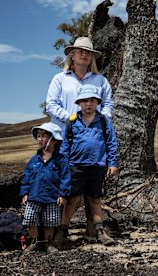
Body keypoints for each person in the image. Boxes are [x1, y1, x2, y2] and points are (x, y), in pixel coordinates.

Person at [45, 36, 114, 242]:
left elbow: (109, 104)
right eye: (79, 51)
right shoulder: (60, 79)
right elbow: (51, 104)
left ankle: (93, 229)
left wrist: (100, 120)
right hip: (61, 137)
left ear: (92, 56)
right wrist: (71, 120)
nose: (83, 54)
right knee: (63, 185)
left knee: (92, 189)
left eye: (87, 52)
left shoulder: (100, 81)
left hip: (93, 140)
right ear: (72, 55)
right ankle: (53, 229)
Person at [54, 85, 118, 247]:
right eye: (84, 101)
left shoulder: (103, 121)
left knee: (95, 199)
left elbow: (111, 143)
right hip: (76, 166)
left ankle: (100, 231)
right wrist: (63, 165)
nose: (88, 104)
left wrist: (112, 163)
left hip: (97, 166)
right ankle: (62, 232)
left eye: (91, 100)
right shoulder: (72, 121)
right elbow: (65, 146)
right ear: (79, 103)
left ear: (97, 102)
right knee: (72, 199)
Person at [20, 122, 71, 253]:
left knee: (51, 221)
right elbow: (26, 177)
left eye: (43, 136)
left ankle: (47, 243)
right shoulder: (34, 160)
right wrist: (24, 193)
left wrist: (63, 194)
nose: (39, 139)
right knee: (30, 218)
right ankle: (35, 241)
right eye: (38, 136)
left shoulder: (61, 160)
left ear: (53, 139)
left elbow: (66, 178)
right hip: (34, 195)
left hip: (52, 197)